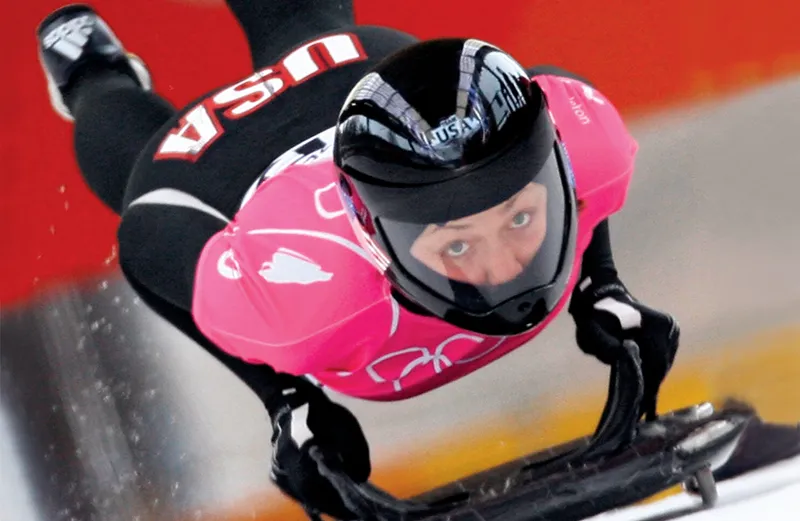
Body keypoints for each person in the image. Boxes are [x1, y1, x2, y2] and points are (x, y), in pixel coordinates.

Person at [36, 2, 684, 518]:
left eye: (521, 217)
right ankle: (92, 70)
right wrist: (284, 397)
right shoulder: (305, 299)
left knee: (299, 23)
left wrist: (603, 283)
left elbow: (558, 114)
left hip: (353, 74)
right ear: (381, 240)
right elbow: (147, 235)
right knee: (134, 171)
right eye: (457, 244)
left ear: (556, 174)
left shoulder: (587, 150)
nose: (501, 267)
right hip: (225, 163)